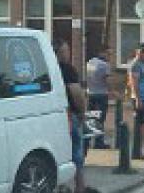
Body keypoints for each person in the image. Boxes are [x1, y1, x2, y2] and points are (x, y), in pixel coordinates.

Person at [56, 41, 88, 193]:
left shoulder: (49, 69)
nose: (68, 53)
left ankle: (60, 186)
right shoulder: (68, 70)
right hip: (70, 115)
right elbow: (76, 93)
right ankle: (79, 187)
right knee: (76, 151)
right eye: (65, 51)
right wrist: (82, 112)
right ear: (60, 53)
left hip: (54, 116)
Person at [86, 48, 111, 149]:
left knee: (91, 117)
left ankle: (87, 140)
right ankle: (99, 142)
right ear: (102, 53)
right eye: (108, 54)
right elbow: (107, 80)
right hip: (101, 94)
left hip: (91, 93)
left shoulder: (90, 63)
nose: (110, 56)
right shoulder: (104, 65)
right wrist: (113, 91)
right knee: (100, 119)